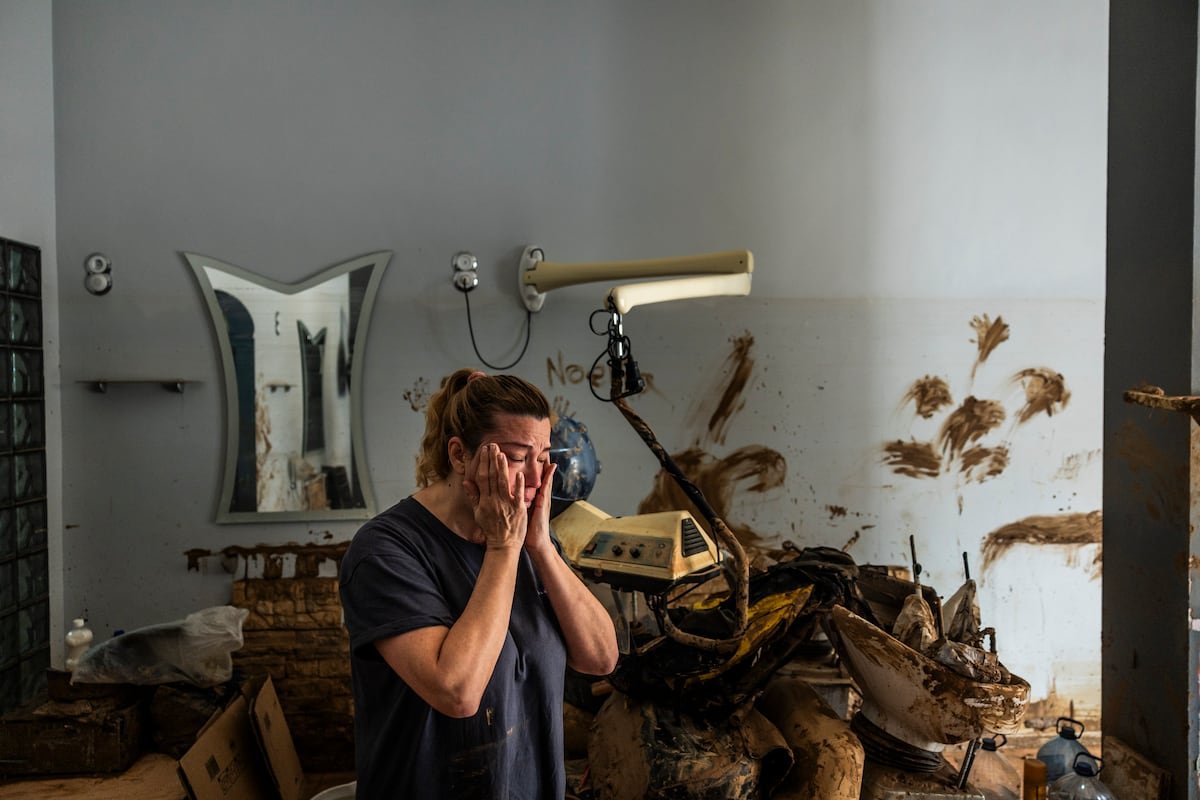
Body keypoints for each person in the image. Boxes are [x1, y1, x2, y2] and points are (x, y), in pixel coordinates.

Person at [340, 368, 619, 799]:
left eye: (543, 455)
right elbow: (457, 692)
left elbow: (601, 659)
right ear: (458, 455)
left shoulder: (532, 540)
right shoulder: (385, 551)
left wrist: (540, 546)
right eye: (516, 455)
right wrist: (504, 547)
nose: (534, 476)